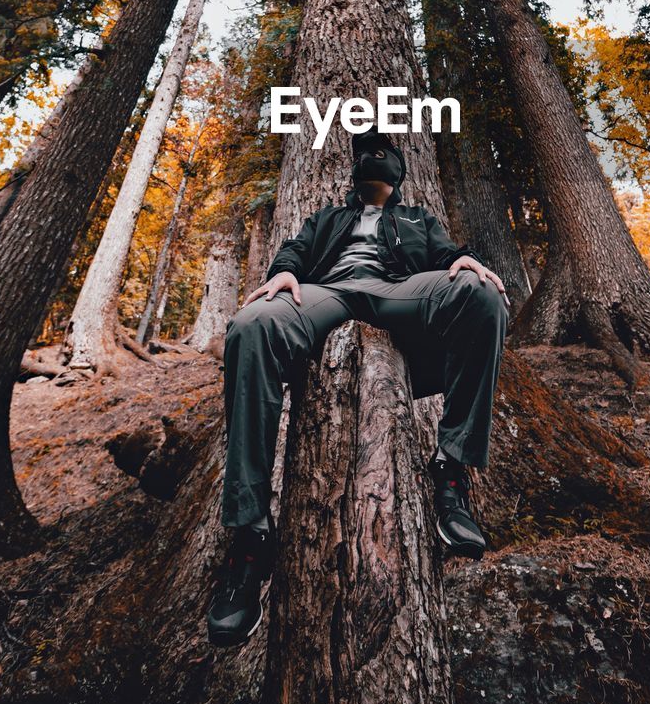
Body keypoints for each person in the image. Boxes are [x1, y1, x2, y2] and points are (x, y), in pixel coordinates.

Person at [207, 126, 510, 647]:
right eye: (364, 153)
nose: (373, 159)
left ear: (399, 171)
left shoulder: (416, 217)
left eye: (383, 153)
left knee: (482, 296)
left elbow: (448, 257)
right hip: (328, 293)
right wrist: (282, 271)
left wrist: (466, 260)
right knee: (250, 325)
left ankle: (451, 470)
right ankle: (251, 533)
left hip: (399, 293)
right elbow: (296, 251)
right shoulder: (328, 216)